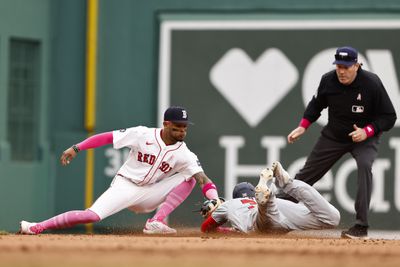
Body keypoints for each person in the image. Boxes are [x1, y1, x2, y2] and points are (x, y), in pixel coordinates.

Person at [20, 106, 221, 235]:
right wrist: (76, 147)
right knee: (91, 216)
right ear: (165, 124)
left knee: (191, 177)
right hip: (125, 185)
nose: (182, 132)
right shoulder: (142, 134)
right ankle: (37, 226)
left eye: (185, 128)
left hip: (149, 193)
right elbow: (107, 137)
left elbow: (203, 178)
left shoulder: (184, 153)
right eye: (177, 127)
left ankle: (155, 221)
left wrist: (214, 199)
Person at [287, 46, 397, 239]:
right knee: (305, 175)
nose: (342, 71)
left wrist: (367, 131)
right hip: (334, 136)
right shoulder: (328, 80)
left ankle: (361, 227)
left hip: (364, 138)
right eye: (339, 66)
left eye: (346, 67)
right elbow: (317, 104)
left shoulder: (372, 83)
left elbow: (389, 116)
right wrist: (303, 125)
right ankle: (275, 211)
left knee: (364, 166)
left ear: (357, 65)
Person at [200, 162, 340, 234]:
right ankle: (286, 184)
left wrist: (214, 217)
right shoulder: (230, 204)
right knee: (332, 219)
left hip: (260, 224)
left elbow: (205, 228)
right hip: (284, 213)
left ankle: (268, 197)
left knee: (265, 215)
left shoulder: (229, 205)